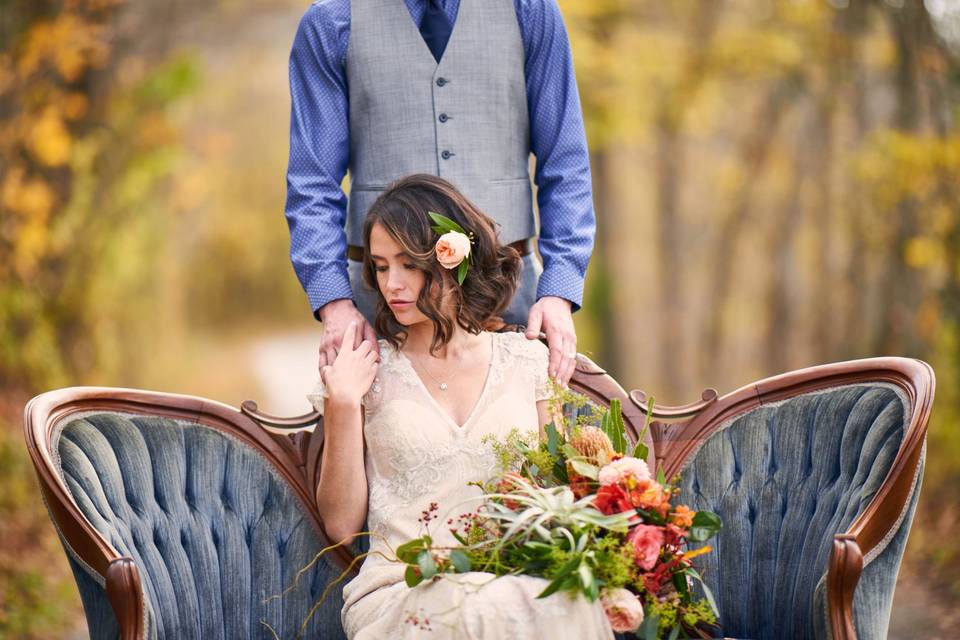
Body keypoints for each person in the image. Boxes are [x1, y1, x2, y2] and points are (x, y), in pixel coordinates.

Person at [308, 175, 612, 639]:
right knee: (465, 605)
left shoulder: (527, 361)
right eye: (382, 266)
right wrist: (343, 404)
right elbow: (342, 527)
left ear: (453, 261)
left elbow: (555, 498)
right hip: (401, 592)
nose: (392, 284)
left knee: (560, 601)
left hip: (509, 583)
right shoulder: (365, 372)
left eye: (409, 264)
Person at [286, 0, 595, 387]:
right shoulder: (331, 21)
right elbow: (311, 183)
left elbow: (566, 163)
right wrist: (333, 303)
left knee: (523, 443)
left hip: (508, 297)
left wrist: (559, 290)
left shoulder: (529, 10)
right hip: (381, 305)